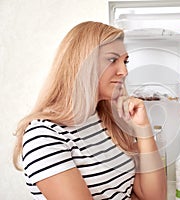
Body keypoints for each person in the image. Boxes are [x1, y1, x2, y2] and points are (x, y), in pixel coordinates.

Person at [13, 21, 167, 200]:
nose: (124, 71)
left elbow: (155, 197)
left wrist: (143, 129)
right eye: (112, 60)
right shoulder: (44, 136)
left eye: (125, 61)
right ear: (82, 64)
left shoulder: (110, 119)